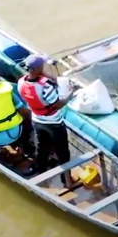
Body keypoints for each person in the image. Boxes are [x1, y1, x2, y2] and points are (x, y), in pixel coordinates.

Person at [17, 54, 80, 184]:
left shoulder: (21, 82)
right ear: (38, 68)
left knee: (41, 147)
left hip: (37, 119)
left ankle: (41, 171)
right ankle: (67, 180)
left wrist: (42, 73)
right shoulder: (46, 86)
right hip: (54, 122)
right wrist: (72, 93)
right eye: (42, 66)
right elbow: (59, 104)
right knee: (62, 151)